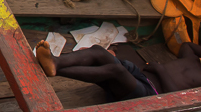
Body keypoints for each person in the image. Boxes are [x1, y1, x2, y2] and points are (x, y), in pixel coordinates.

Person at [34, 40, 201, 100]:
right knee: (99, 51)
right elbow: (187, 45)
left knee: (117, 70)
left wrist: (160, 70)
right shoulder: (192, 56)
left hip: (150, 93)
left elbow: (175, 98)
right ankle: (55, 62)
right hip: (140, 74)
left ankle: (56, 69)